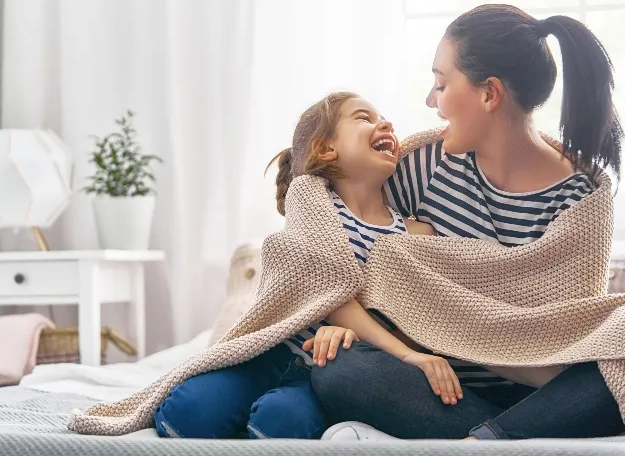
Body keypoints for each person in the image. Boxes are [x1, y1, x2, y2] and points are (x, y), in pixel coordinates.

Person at [311, 4, 625, 441]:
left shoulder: (583, 200)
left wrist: (462, 327)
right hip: (439, 391)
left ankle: (482, 442)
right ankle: (496, 441)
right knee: (341, 371)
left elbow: (565, 340)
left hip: (541, 397)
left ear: (489, 94)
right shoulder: (424, 166)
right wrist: (341, 319)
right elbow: (340, 237)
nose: (430, 100)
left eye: (441, 84)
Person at [153, 92, 469, 439]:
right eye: (364, 117)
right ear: (325, 149)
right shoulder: (311, 201)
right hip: (271, 355)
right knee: (187, 413)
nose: (386, 124)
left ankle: (254, 421)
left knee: (280, 422)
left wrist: (365, 345)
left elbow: (421, 316)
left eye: (383, 117)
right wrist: (408, 357)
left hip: (323, 373)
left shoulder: (416, 233)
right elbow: (328, 290)